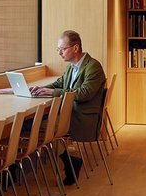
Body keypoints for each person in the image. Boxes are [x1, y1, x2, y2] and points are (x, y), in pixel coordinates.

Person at [30, 30, 106, 184]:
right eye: (58, 49)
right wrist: (41, 89)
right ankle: (70, 160)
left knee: (40, 127)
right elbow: (59, 84)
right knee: (39, 125)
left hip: (82, 117)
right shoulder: (72, 67)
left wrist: (53, 92)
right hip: (70, 113)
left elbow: (84, 93)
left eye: (62, 49)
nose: (60, 53)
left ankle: (69, 160)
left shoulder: (93, 67)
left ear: (75, 48)